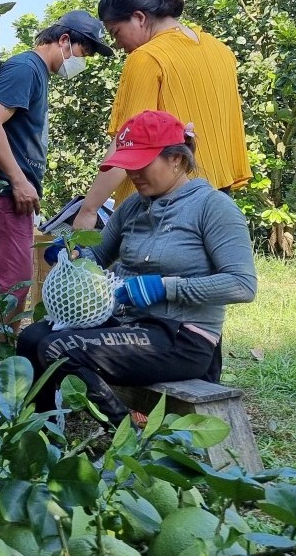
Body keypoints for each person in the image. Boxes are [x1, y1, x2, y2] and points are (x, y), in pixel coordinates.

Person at [17, 110, 257, 427]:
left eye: (142, 164)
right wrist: (70, 255)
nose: (133, 174)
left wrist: (164, 287)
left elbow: (242, 285)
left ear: (177, 159)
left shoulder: (213, 207)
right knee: (33, 337)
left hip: (183, 340)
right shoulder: (133, 206)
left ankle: (127, 434)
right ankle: (40, 434)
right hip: (128, 326)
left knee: (61, 348)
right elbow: (97, 255)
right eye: (128, 165)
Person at [72, 0, 251, 231]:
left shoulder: (147, 57)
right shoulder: (220, 50)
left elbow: (127, 143)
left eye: (116, 32)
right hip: (216, 197)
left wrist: (89, 210)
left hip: (165, 202)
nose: (118, 44)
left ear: (139, 18)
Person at [0, 10, 111, 332]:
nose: (82, 61)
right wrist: (19, 182)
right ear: (64, 40)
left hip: (11, 195)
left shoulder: (35, 72)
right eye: (82, 52)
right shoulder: (26, 68)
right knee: (12, 286)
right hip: (7, 194)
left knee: (13, 284)